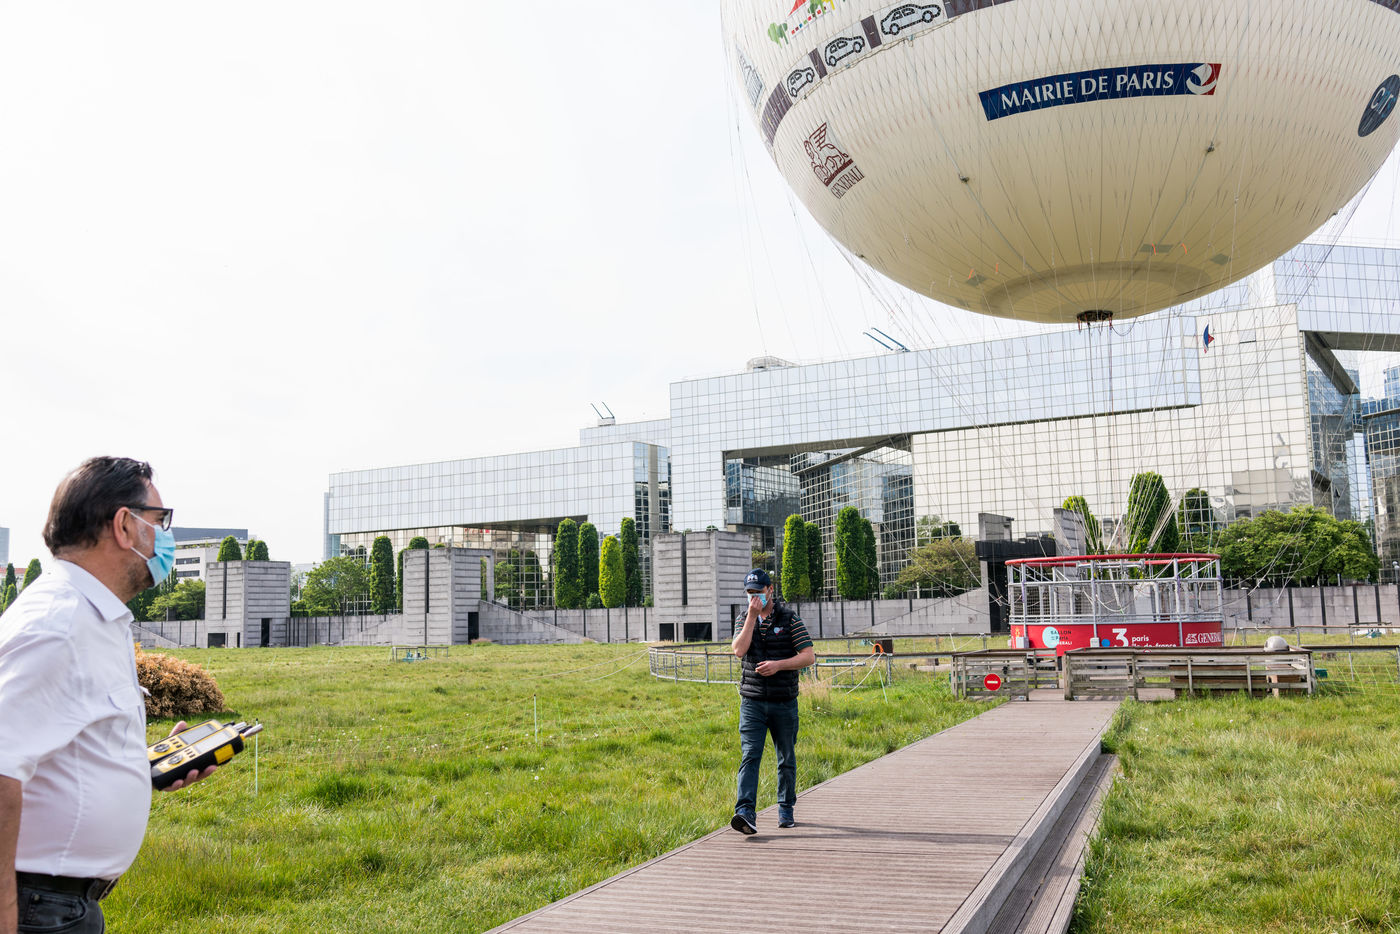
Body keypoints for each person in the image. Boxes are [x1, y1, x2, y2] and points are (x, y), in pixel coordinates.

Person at [0, 457, 215, 934]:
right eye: (160, 521)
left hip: (58, 906)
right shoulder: (58, 626)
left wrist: (138, 766)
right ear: (124, 525)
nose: (164, 537)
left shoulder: (94, 616)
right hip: (36, 909)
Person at [730, 568, 815, 834]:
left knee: (786, 756)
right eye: (749, 592)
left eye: (758, 591)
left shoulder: (789, 618)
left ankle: (785, 807)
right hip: (752, 701)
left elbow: (808, 656)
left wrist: (778, 665)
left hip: (783, 701)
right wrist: (751, 617)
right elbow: (738, 650)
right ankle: (745, 812)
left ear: (770, 590)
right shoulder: (743, 618)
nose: (754, 596)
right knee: (750, 755)